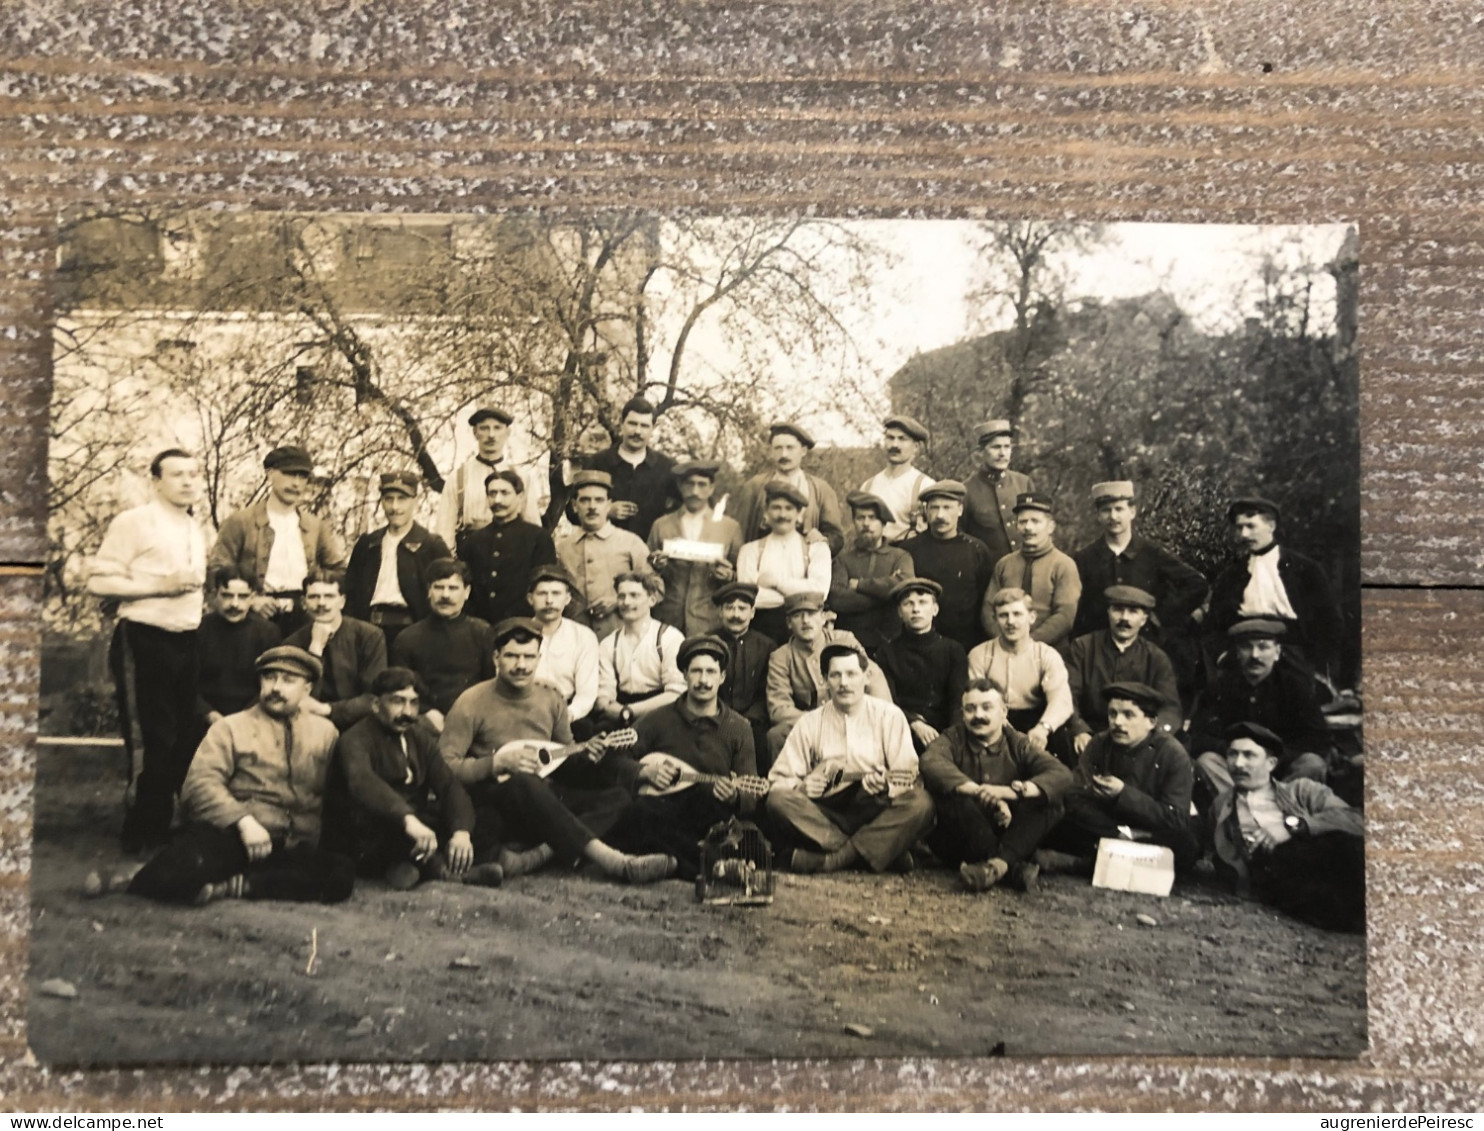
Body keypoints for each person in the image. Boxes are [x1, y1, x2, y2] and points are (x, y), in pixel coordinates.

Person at [437, 618, 675, 882]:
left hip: (544, 798)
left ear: (539, 658)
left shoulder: (550, 697)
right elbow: (444, 766)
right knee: (524, 783)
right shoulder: (471, 701)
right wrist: (496, 763)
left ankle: (531, 859)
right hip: (495, 800)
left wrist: (585, 756)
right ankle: (617, 862)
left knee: (617, 797)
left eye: (529, 657)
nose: (521, 665)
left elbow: (564, 755)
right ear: (496, 657)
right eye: (512, 656)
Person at [123, 646, 355, 905]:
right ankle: (140, 877)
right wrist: (244, 822)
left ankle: (238, 886)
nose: (276, 688)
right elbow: (200, 785)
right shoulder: (230, 727)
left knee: (339, 875)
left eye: (289, 681)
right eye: (269, 678)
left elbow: (337, 793)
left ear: (307, 689)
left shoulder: (326, 732)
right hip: (238, 837)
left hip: (294, 843)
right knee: (190, 863)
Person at [88, 448, 209, 851]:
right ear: (155, 480)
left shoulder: (195, 527)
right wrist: (161, 585)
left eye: (194, 473)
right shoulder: (134, 522)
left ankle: (165, 823)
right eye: (177, 474)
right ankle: (140, 834)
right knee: (149, 737)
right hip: (143, 637)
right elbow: (99, 584)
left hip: (186, 639)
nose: (189, 481)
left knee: (182, 735)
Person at [324, 667, 501, 890]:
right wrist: (408, 820)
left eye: (413, 703)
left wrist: (461, 832)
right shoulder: (355, 738)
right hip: (371, 828)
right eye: (397, 701)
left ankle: (412, 867)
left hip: (416, 824)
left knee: (485, 817)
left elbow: (447, 785)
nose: (407, 711)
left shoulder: (419, 736)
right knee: (395, 834)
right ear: (376, 705)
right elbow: (363, 783)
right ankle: (445, 871)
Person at [764, 642, 934, 874]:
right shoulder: (809, 722)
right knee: (778, 800)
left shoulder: (889, 716)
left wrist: (887, 785)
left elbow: (910, 777)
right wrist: (802, 787)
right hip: (825, 814)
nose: (844, 683)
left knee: (921, 803)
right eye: (835, 675)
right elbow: (779, 780)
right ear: (824, 680)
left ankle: (835, 860)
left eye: (852, 674)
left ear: (866, 677)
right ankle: (882, 849)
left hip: (875, 808)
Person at [603, 635, 762, 880]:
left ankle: (674, 863)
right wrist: (644, 772)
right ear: (684, 675)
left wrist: (735, 795)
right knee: (639, 813)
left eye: (711, 672)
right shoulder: (658, 718)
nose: (703, 680)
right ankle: (716, 867)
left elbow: (750, 787)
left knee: (747, 835)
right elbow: (616, 758)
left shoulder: (738, 727)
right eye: (696, 671)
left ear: (722, 677)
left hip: (707, 812)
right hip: (662, 808)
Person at [1209, 722, 1365, 932]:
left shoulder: (1302, 789)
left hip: (1321, 855)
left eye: (1249, 755)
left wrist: (1293, 826)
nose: (1238, 763)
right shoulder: (1222, 805)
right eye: (1232, 754)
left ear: (1271, 763)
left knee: (1345, 848)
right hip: (1276, 874)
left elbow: (1356, 820)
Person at [920, 680, 1073, 893]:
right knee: (949, 798)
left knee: (1052, 802)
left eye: (987, 707)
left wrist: (1011, 793)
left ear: (1004, 712)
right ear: (963, 713)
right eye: (970, 709)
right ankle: (1010, 867)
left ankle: (993, 867)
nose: (978, 715)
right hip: (964, 836)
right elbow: (931, 762)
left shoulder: (1018, 743)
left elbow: (1061, 774)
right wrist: (978, 791)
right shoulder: (953, 738)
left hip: (1007, 831)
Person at [1039, 681, 1199, 873]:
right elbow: (1074, 795)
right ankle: (1122, 859)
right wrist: (1119, 833)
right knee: (1057, 819)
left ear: (1151, 722)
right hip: (1108, 827)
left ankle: (1084, 864)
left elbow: (1176, 818)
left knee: (1185, 845)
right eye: (1112, 714)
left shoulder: (1173, 754)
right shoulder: (1099, 743)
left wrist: (1123, 794)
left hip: (1150, 831)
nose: (1118, 722)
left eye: (1128, 715)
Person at [207, 444, 346, 634]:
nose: (296, 483)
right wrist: (250, 599)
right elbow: (218, 568)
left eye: (302, 476)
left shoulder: (315, 526)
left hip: (304, 616)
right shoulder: (241, 521)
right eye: (289, 474)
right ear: (270, 474)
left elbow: (337, 569)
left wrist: (320, 598)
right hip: (255, 615)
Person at [1207, 496, 1345, 680]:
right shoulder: (1231, 575)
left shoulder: (1304, 569)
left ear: (1271, 526)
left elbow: (1329, 621)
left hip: (1292, 652)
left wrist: (1318, 664)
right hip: (1242, 653)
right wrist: (1222, 655)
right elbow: (1214, 624)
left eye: (1250, 526)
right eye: (1239, 528)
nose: (1244, 535)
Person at [1190, 619, 1332, 795]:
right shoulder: (1221, 686)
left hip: (1280, 768)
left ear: (1277, 652)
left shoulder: (1295, 687)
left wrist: (1274, 756)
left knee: (1312, 764)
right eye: (1246, 647)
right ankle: (1238, 808)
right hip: (1236, 769)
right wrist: (1237, 752)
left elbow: (1319, 739)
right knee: (1207, 761)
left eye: (1263, 647)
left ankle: (1279, 807)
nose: (1255, 655)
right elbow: (1198, 736)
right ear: (1237, 653)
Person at [1069, 481, 1208, 653]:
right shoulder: (1084, 559)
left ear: (1132, 512)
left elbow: (1196, 584)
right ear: (1098, 515)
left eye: (1119, 509)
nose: (1113, 517)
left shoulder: (1152, 553)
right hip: (1099, 650)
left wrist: (1161, 616)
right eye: (1106, 510)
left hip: (1148, 646)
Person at [765, 591, 891, 768]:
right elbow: (779, 709)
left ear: (823, 617)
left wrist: (880, 716)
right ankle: (787, 789)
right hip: (810, 724)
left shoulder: (844, 639)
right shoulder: (781, 657)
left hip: (853, 717)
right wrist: (819, 721)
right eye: (797, 615)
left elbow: (872, 676)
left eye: (811, 614)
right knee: (776, 735)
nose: (806, 621)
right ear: (788, 623)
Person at [1064, 585, 1182, 753]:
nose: (1124, 618)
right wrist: (1079, 729)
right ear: (1108, 613)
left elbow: (1170, 708)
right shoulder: (1083, 647)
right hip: (1091, 733)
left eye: (1133, 612)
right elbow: (1067, 695)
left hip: (1137, 737)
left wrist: (1149, 737)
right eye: (1118, 610)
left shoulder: (1156, 657)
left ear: (1144, 619)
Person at [343, 470, 451, 648]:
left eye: (402, 499)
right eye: (388, 499)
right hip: (368, 630)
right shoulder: (368, 544)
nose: (395, 507)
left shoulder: (431, 545)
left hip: (413, 632)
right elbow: (350, 592)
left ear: (414, 501)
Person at [388, 558, 495, 729]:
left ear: (466, 592)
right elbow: (399, 688)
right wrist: (426, 711)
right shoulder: (408, 638)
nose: (445, 595)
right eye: (438, 587)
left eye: (453, 588)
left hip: (474, 719)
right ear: (429, 591)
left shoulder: (482, 632)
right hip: (424, 721)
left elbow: (492, 684)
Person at [966, 588, 1073, 756]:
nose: (1010, 621)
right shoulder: (980, 654)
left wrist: (1043, 728)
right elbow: (976, 698)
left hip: (1036, 721)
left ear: (1031, 617)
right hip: (993, 721)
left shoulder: (1046, 655)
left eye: (1017, 614)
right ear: (995, 619)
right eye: (1003, 615)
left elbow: (1061, 700)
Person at [554, 469, 656, 639]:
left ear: (609, 505)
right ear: (574, 505)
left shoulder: (630, 542)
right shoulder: (564, 548)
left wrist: (619, 600)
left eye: (599, 500)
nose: (592, 507)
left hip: (624, 635)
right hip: (576, 638)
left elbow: (655, 588)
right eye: (585, 500)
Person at [432, 406, 550, 549]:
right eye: (484, 428)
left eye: (497, 428)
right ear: (475, 433)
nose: (491, 435)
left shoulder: (521, 477)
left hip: (512, 553)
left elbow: (533, 527)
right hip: (471, 556)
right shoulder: (458, 477)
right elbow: (444, 530)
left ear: (507, 432)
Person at [647, 460, 743, 635]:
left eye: (702, 485)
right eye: (689, 484)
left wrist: (729, 576)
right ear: (680, 486)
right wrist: (656, 565)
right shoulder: (662, 525)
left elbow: (741, 575)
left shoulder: (729, 527)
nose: (695, 491)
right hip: (667, 619)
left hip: (710, 621)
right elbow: (646, 571)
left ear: (712, 488)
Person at [898, 480, 995, 652]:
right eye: (934, 508)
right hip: (919, 644)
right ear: (926, 511)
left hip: (966, 644)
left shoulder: (977, 550)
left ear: (960, 510)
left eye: (947, 507)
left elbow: (985, 601)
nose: (940, 515)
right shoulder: (908, 550)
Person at [285, 568, 388, 730]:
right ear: (304, 603)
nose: (321, 603)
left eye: (329, 596)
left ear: (342, 602)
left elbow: (374, 697)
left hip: (359, 725)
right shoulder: (292, 643)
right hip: (308, 726)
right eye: (314, 597)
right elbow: (298, 697)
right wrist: (316, 649)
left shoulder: (369, 636)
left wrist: (328, 710)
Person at [874, 578, 968, 752]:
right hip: (901, 730)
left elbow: (957, 703)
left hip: (945, 734)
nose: (916, 609)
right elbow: (887, 703)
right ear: (899, 612)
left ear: (935, 609)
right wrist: (914, 723)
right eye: (908, 604)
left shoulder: (953, 650)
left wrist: (950, 741)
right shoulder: (886, 653)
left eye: (922, 602)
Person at [728, 421, 846, 556]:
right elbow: (739, 533)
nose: (783, 454)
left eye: (790, 448)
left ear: (803, 451)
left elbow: (836, 537)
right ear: (771, 451)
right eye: (778, 448)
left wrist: (823, 541)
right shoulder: (754, 486)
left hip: (804, 566)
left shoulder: (821, 489)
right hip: (762, 563)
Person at [458, 468, 558, 626]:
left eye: (505, 493)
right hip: (479, 626)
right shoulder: (473, 540)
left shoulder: (538, 538)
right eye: (492, 493)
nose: (497, 500)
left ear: (520, 497)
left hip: (522, 626)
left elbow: (544, 586)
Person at [735, 482, 833, 645]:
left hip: (805, 628)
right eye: (776, 507)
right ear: (766, 512)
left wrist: (776, 582)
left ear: (799, 514)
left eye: (789, 508)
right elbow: (749, 599)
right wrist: (800, 593)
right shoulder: (750, 551)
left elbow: (820, 593)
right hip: (763, 630)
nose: (782, 514)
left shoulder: (817, 549)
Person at [983, 492, 1082, 651]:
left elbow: (1065, 615)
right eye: (1023, 522)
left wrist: (1028, 644)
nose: (1028, 527)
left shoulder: (1064, 565)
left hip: (1050, 650)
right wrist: (1004, 641)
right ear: (1017, 526)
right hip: (1005, 649)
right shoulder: (1004, 564)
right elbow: (988, 609)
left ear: (1050, 527)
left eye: (1035, 521)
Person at [195, 566, 283, 729]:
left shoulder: (267, 632)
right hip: (206, 719)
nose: (234, 604)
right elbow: (188, 684)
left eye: (242, 597)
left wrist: (244, 718)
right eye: (227, 596)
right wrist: (209, 714)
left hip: (254, 718)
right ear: (215, 595)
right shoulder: (199, 629)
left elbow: (272, 683)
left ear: (253, 597)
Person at [593, 572, 686, 724]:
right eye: (621, 596)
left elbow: (676, 692)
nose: (626, 602)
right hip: (619, 711)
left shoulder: (669, 637)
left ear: (652, 600)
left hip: (661, 711)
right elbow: (604, 693)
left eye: (634, 595)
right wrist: (611, 707)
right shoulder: (608, 644)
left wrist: (629, 711)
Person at [829, 491, 915, 655]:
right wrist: (886, 595)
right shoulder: (843, 559)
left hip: (891, 643)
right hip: (851, 644)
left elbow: (905, 587)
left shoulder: (900, 557)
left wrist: (860, 585)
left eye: (872, 518)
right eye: (860, 518)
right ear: (854, 522)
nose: (866, 523)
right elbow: (838, 600)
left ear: (883, 524)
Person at [583, 396, 678, 541]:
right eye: (632, 424)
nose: (638, 432)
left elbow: (681, 513)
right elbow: (573, 511)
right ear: (621, 423)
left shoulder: (667, 467)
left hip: (650, 554)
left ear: (653, 428)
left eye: (644, 426)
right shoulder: (597, 463)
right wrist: (605, 511)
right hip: (604, 552)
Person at [526, 564, 601, 733]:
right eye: (542, 593)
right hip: (523, 713)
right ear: (530, 598)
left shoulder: (583, 636)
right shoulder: (517, 635)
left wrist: (568, 715)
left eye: (556, 593)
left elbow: (586, 694)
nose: (549, 601)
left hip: (568, 714)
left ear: (567, 599)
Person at [711, 581, 776, 764]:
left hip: (754, 724)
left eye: (742, 608)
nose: (736, 615)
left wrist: (749, 720)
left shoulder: (766, 646)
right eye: (730, 608)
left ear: (752, 612)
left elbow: (767, 692)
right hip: (714, 720)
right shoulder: (708, 643)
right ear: (720, 612)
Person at [961, 419, 1034, 562]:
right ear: (980, 452)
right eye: (996, 447)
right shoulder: (966, 490)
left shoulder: (1024, 483)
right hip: (989, 575)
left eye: (1007, 447)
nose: (1002, 453)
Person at [857, 415, 936, 543]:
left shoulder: (925, 486)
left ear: (915, 447)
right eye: (890, 438)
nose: (894, 444)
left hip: (910, 556)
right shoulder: (868, 486)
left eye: (902, 439)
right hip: (873, 556)